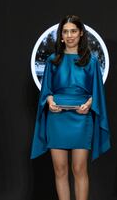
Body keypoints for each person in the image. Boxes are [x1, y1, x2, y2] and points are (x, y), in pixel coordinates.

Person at [31, 15, 111, 200]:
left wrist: (89, 104)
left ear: (81, 33)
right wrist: (50, 101)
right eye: (65, 32)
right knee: (60, 170)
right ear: (60, 35)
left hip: (81, 118)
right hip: (57, 119)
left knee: (79, 169)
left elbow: (97, 93)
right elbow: (47, 91)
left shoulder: (91, 61)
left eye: (73, 31)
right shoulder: (52, 60)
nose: (69, 35)